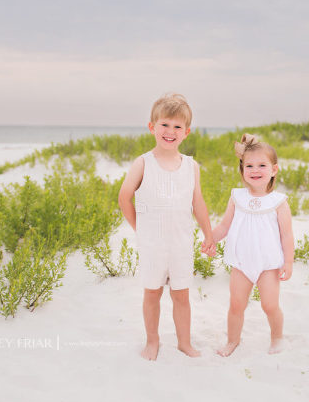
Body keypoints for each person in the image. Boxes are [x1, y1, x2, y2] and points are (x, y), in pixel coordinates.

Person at [118, 93, 215, 360]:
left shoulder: (191, 166)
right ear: (152, 127)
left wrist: (209, 234)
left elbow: (198, 203)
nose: (170, 132)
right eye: (164, 125)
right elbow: (124, 197)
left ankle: (184, 342)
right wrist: (139, 227)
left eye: (177, 127)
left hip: (181, 243)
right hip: (152, 244)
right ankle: (153, 341)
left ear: (187, 132)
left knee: (181, 295)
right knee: (152, 293)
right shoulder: (143, 163)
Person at [211, 133, 295, 356]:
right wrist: (210, 239)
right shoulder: (237, 197)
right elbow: (224, 226)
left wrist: (288, 261)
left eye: (261, 165)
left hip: (268, 263)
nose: (255, 170)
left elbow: (287, 235)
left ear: (274, 170)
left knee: (270, 305)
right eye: (249, 165)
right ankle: (232, 341)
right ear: (242, 170)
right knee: (236, 305)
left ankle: (277, 338)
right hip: (241, 262)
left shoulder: (278, 202)